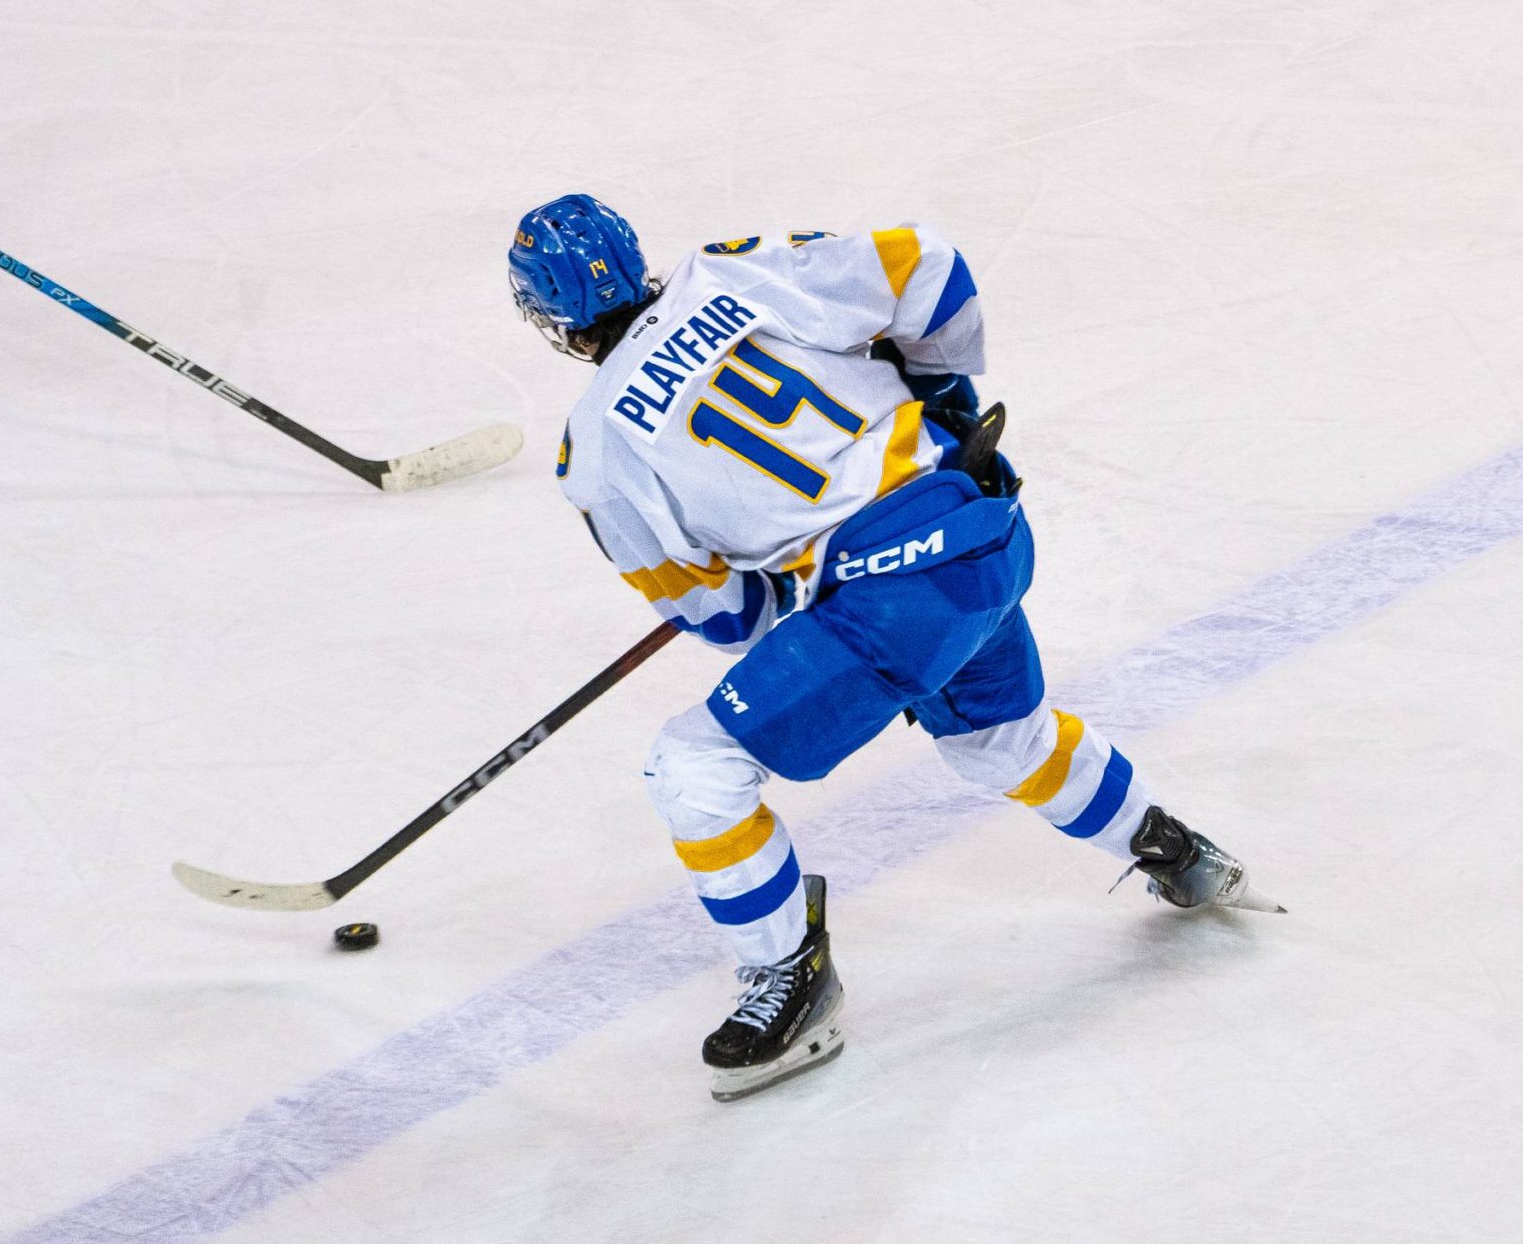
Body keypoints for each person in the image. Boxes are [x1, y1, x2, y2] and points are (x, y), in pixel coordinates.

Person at [507, 194, 1273, 1101]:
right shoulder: (732, 269)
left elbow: (728, 622)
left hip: (894, 595)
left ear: (550, 321)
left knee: (695, 767)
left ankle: (790, 978)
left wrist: (795, 583)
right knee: (1001, 741)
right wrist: (943, 393)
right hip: (979, 524)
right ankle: (1173, 849)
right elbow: (929, 269)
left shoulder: (594, 454)